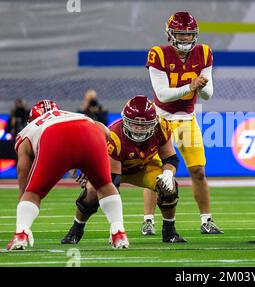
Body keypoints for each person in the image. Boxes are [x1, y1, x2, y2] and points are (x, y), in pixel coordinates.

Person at [61, 95, 186, 244]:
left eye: (144, 125)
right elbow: (114, 182)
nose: (139, 129)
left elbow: (170, 158)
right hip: (114, 169)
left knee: (169, 187)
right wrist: (116, 227)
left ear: (154, 123)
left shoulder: (162, 127)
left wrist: (167, 173)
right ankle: (76, 230)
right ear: (125, 121)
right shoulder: (115, 135)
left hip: (144, 168)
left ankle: (169, 232)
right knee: (92, 192)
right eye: (134, 124)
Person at [6, 100, 128, 250]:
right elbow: (104, 131)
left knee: (33, 193)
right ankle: (119, 233)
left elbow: (23, 174)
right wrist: (89, 166)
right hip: (90, 130)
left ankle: (21, 235)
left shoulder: (28, 130)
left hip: (53, 137)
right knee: (105, 185)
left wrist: (23, 211)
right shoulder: (73, 114)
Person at [144, 11, 222, 235]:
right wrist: (191, 85)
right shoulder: (158, 54)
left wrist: (201, 85)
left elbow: (208, 95)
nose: (186, 39)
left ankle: (206, 220)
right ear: (170, 34)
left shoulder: (204, 52)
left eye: (189, 34)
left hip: (187, 119)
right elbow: (162, 94)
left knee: (198, 170)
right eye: (181, 34)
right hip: (160, 120)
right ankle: (148, 220)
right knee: (156, 172)